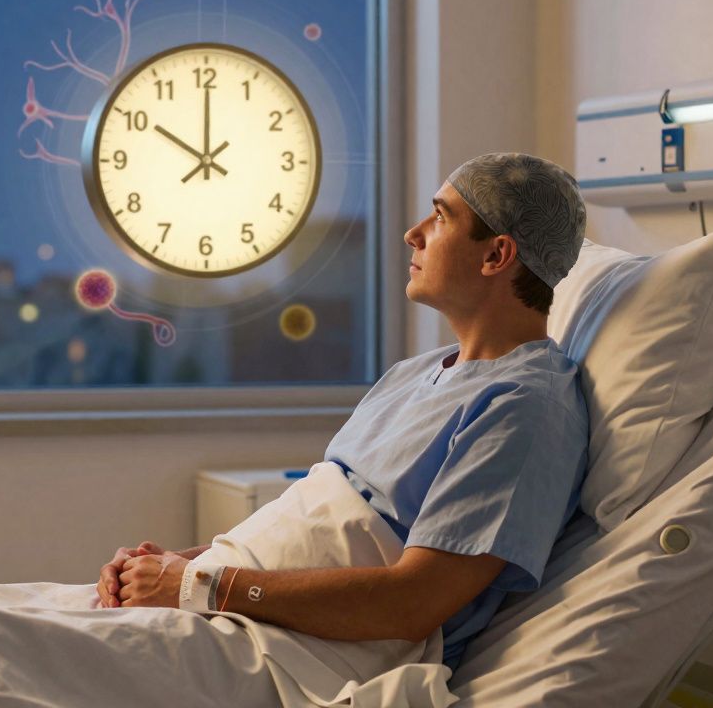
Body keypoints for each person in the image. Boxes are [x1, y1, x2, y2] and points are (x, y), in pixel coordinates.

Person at [98, 152, 591, 671]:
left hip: (306, 656)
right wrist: (177, 565)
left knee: (11, 646)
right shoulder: (413, 374)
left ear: (496, 256)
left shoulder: (525, 408)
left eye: (441, 216)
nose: (413, 233)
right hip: (234, 611)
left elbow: (411, 604)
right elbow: (309, 529)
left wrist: (202, 585)